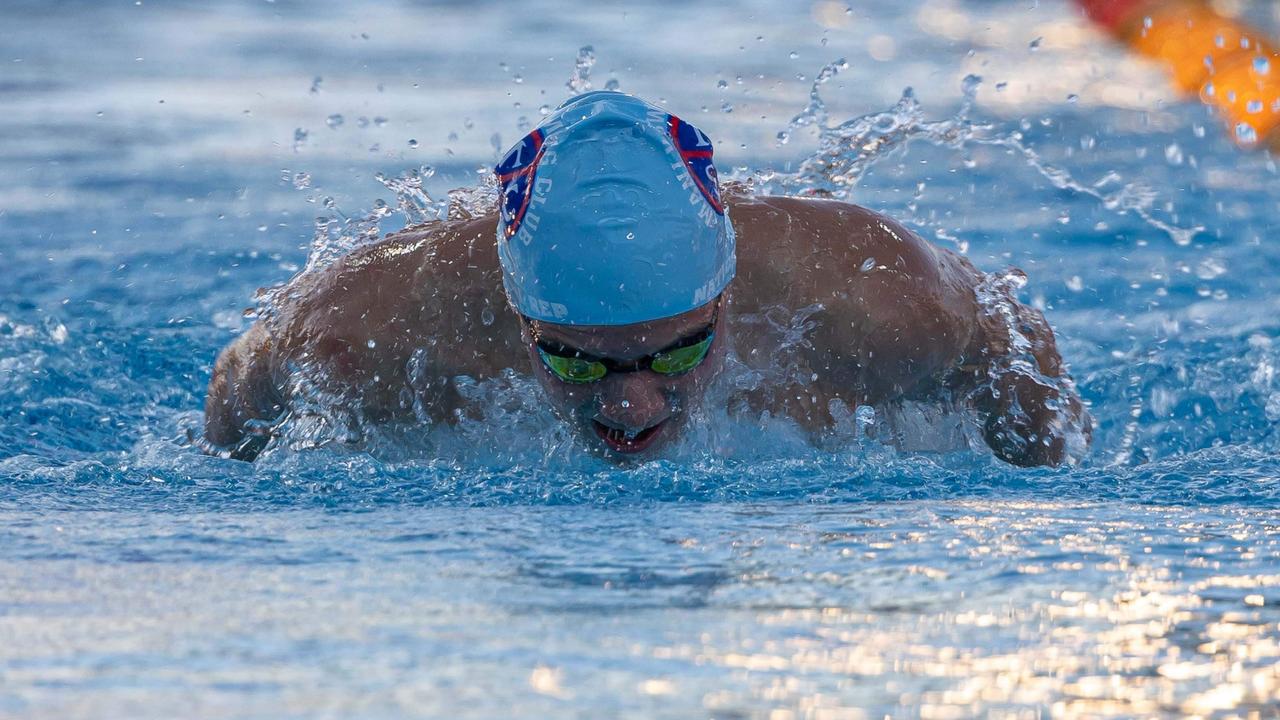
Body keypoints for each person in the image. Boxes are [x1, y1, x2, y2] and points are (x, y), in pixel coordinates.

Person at [204, 91, 1091, 466]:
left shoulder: (880, 299)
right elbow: (240, 387)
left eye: (679, 352)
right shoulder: (364, 332)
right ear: (517, 317)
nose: (633, 408)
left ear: (727, 293)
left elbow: (1019, 349)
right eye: (579, 363)